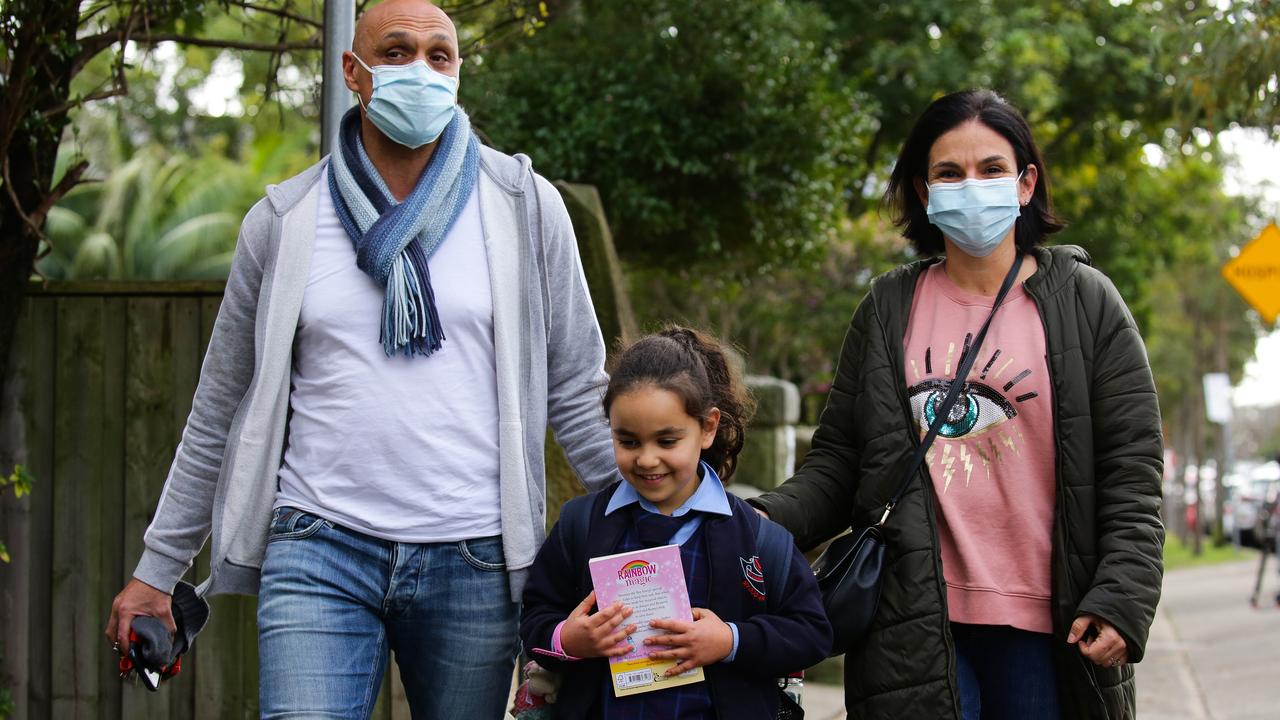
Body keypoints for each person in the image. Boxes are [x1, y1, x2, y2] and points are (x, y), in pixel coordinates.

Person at [104, 0, 616, 716]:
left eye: (440, 56)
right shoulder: (283, 222)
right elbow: (221, 407)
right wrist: (159, 569)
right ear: (355, 71)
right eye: (398, 51)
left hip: (477, 559)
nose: (422, 71)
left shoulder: (525, 206)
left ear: (459, 72)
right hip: (318, 547)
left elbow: (578, 394)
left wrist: (656, 529)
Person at [749, 89, 1164, 719]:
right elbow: (838, 463)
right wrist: (746, 524)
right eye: (949, 172)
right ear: (923, 190)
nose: (972, 186)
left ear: (1026, 184)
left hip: (1051, 625)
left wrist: (1123, 596)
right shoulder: (887, 307)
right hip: (910, 620)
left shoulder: (1088, 302)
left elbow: (1132, 471)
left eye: (991, 169)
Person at [520, 327, 832, 718]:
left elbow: (811, 633)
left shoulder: (758, 540)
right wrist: (568, 638)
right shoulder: (581, 526)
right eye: (628, 441)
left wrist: (730, 640)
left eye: (667, 441)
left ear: (708, 428)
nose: (647, 459)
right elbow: (534, 617)